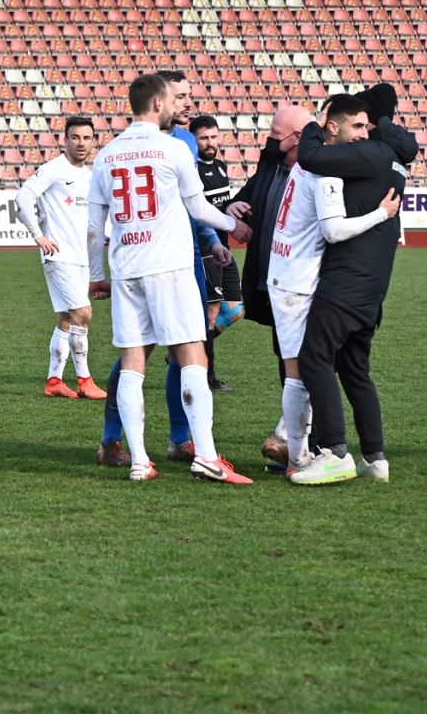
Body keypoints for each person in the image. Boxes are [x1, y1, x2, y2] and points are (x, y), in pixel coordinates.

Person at [85, 72, 248, 484]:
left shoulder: (107, 154)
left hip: (127, 269)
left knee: (132, 362)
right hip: (170, 267)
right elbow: (198, 207)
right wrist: (233, 221)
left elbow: (93, 227)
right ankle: (206, 456)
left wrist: (95, 275)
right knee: (193, 355)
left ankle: (140, 460)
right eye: (173, 102)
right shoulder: (172, 148)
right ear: (157, 104)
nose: (179, 108)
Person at [288, 85, 418, 484]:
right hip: (373, 287)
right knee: (354, 368)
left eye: (364, 123)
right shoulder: (395, 156)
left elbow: (311, 157)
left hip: (346, 283)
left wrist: (313, 122)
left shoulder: (365, 156)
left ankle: (334, 452)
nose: (361, 132)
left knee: (313, 357)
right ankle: (375, 459)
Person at [225, 104, 313, 468]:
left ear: (298, 138)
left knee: (310, 364)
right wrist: (235, 208)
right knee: (286, 360)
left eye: (277, 135)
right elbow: (245, 199)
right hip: (272, 283)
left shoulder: (316, 173)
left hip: (304, 285)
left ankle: (306, 444)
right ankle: (296, 444)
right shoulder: (271, 168)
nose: (270, 140)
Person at [15, 115, 106, 400]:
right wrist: (38, 235)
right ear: (65, 139)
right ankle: (84, 379)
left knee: (66, 320)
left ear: (94, 141)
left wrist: (96, 273)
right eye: (75, 137)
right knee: (83, 314)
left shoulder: (89, 178)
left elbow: (93, 230)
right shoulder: (54, 169)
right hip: (59, 256)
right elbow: (22, 199)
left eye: (87, 138)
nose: (81, 143)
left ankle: (54, 381)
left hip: (80, 260)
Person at [192, 114, 241, 392]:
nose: (210, 143)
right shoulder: (192, 170)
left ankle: (188, 350)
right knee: (210, 312)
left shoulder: (221, 167)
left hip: (224, 249)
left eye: (213, 136)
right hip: (204, 251)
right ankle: (207, 376)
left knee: (234, 310)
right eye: (203, 138)